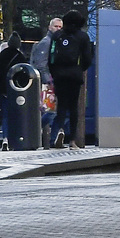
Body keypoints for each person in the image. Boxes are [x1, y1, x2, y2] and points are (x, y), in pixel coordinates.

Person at [47, 10, 95, 148]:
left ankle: (56, 133)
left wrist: (54, 73)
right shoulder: (83, 37)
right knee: (73, 107)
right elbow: (87, 58)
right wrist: (80, 70)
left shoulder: (57, 36)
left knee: (61, 106)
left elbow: (51, 57)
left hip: (59, 76)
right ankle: (72, 140)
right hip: (75, 76)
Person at [0, 30, 28, 147]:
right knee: (16, 115)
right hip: (17, 92)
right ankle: (16, 138)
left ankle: (5, 138)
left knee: (5, 116)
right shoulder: (21, 57)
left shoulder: (1, 56)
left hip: (3, 91)